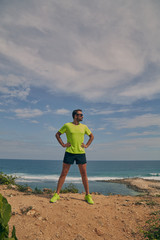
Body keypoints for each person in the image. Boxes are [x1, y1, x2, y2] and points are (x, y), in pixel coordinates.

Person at [50, 109, 94, 204]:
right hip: (69, 152)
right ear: (75, 116)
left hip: (81, 153)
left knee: (84, 174)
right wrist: (63, 144)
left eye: (82, 115)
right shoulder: (67, 125)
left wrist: (86, 145)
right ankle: (57, 194)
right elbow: (57, 135)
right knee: (63, 174)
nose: (82, 116)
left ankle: (87, 195)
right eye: (80, 115)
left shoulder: (84, 127)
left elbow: (91, 136)